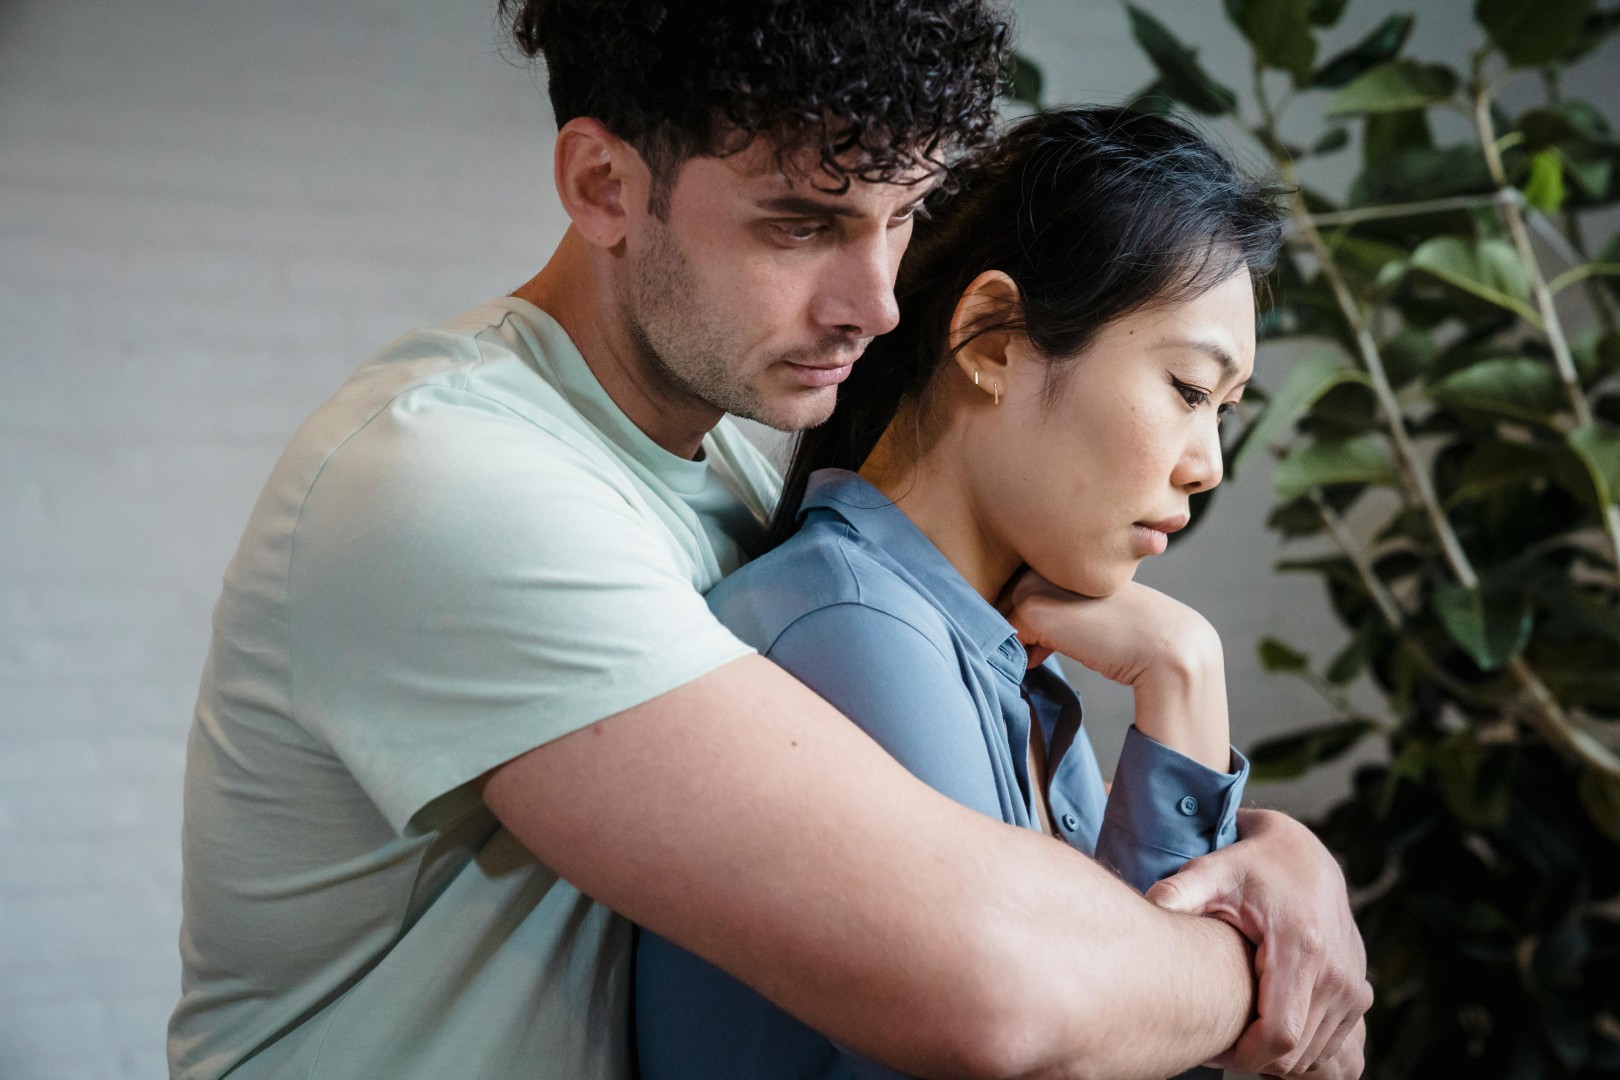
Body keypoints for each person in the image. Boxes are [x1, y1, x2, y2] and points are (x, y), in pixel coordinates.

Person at [168, 3, 1371, 1078]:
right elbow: (1003, 991)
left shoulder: (747, 467)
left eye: (900, 221)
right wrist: (1264, 956)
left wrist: (1283, 860)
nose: (881, 302)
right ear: (602, 184)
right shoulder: (453, 486)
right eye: (802, 226)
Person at [633, 104, 1346, 1080]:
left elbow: (1136, 1000)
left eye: (1225, 412)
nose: (1207, 466)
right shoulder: (850, 628)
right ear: (993, 339)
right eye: (1188, 390)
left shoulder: (970, 642)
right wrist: (1184, 678)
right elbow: (1113, 1047)